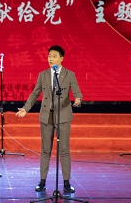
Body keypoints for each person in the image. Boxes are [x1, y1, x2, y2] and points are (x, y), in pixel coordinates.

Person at [16, 45, 83, 194]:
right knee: (45, 150)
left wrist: (78, 99)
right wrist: (26, 108)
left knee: (64, 150)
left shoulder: (69, 74)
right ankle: (42, 181)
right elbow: (35, 93)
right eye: (49, 56)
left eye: (54, 56)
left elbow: (76, 90)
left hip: (63, 115)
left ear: (61, 58)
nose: (50, 59)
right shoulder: (43, 75)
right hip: (47, 116)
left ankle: (66, 182)